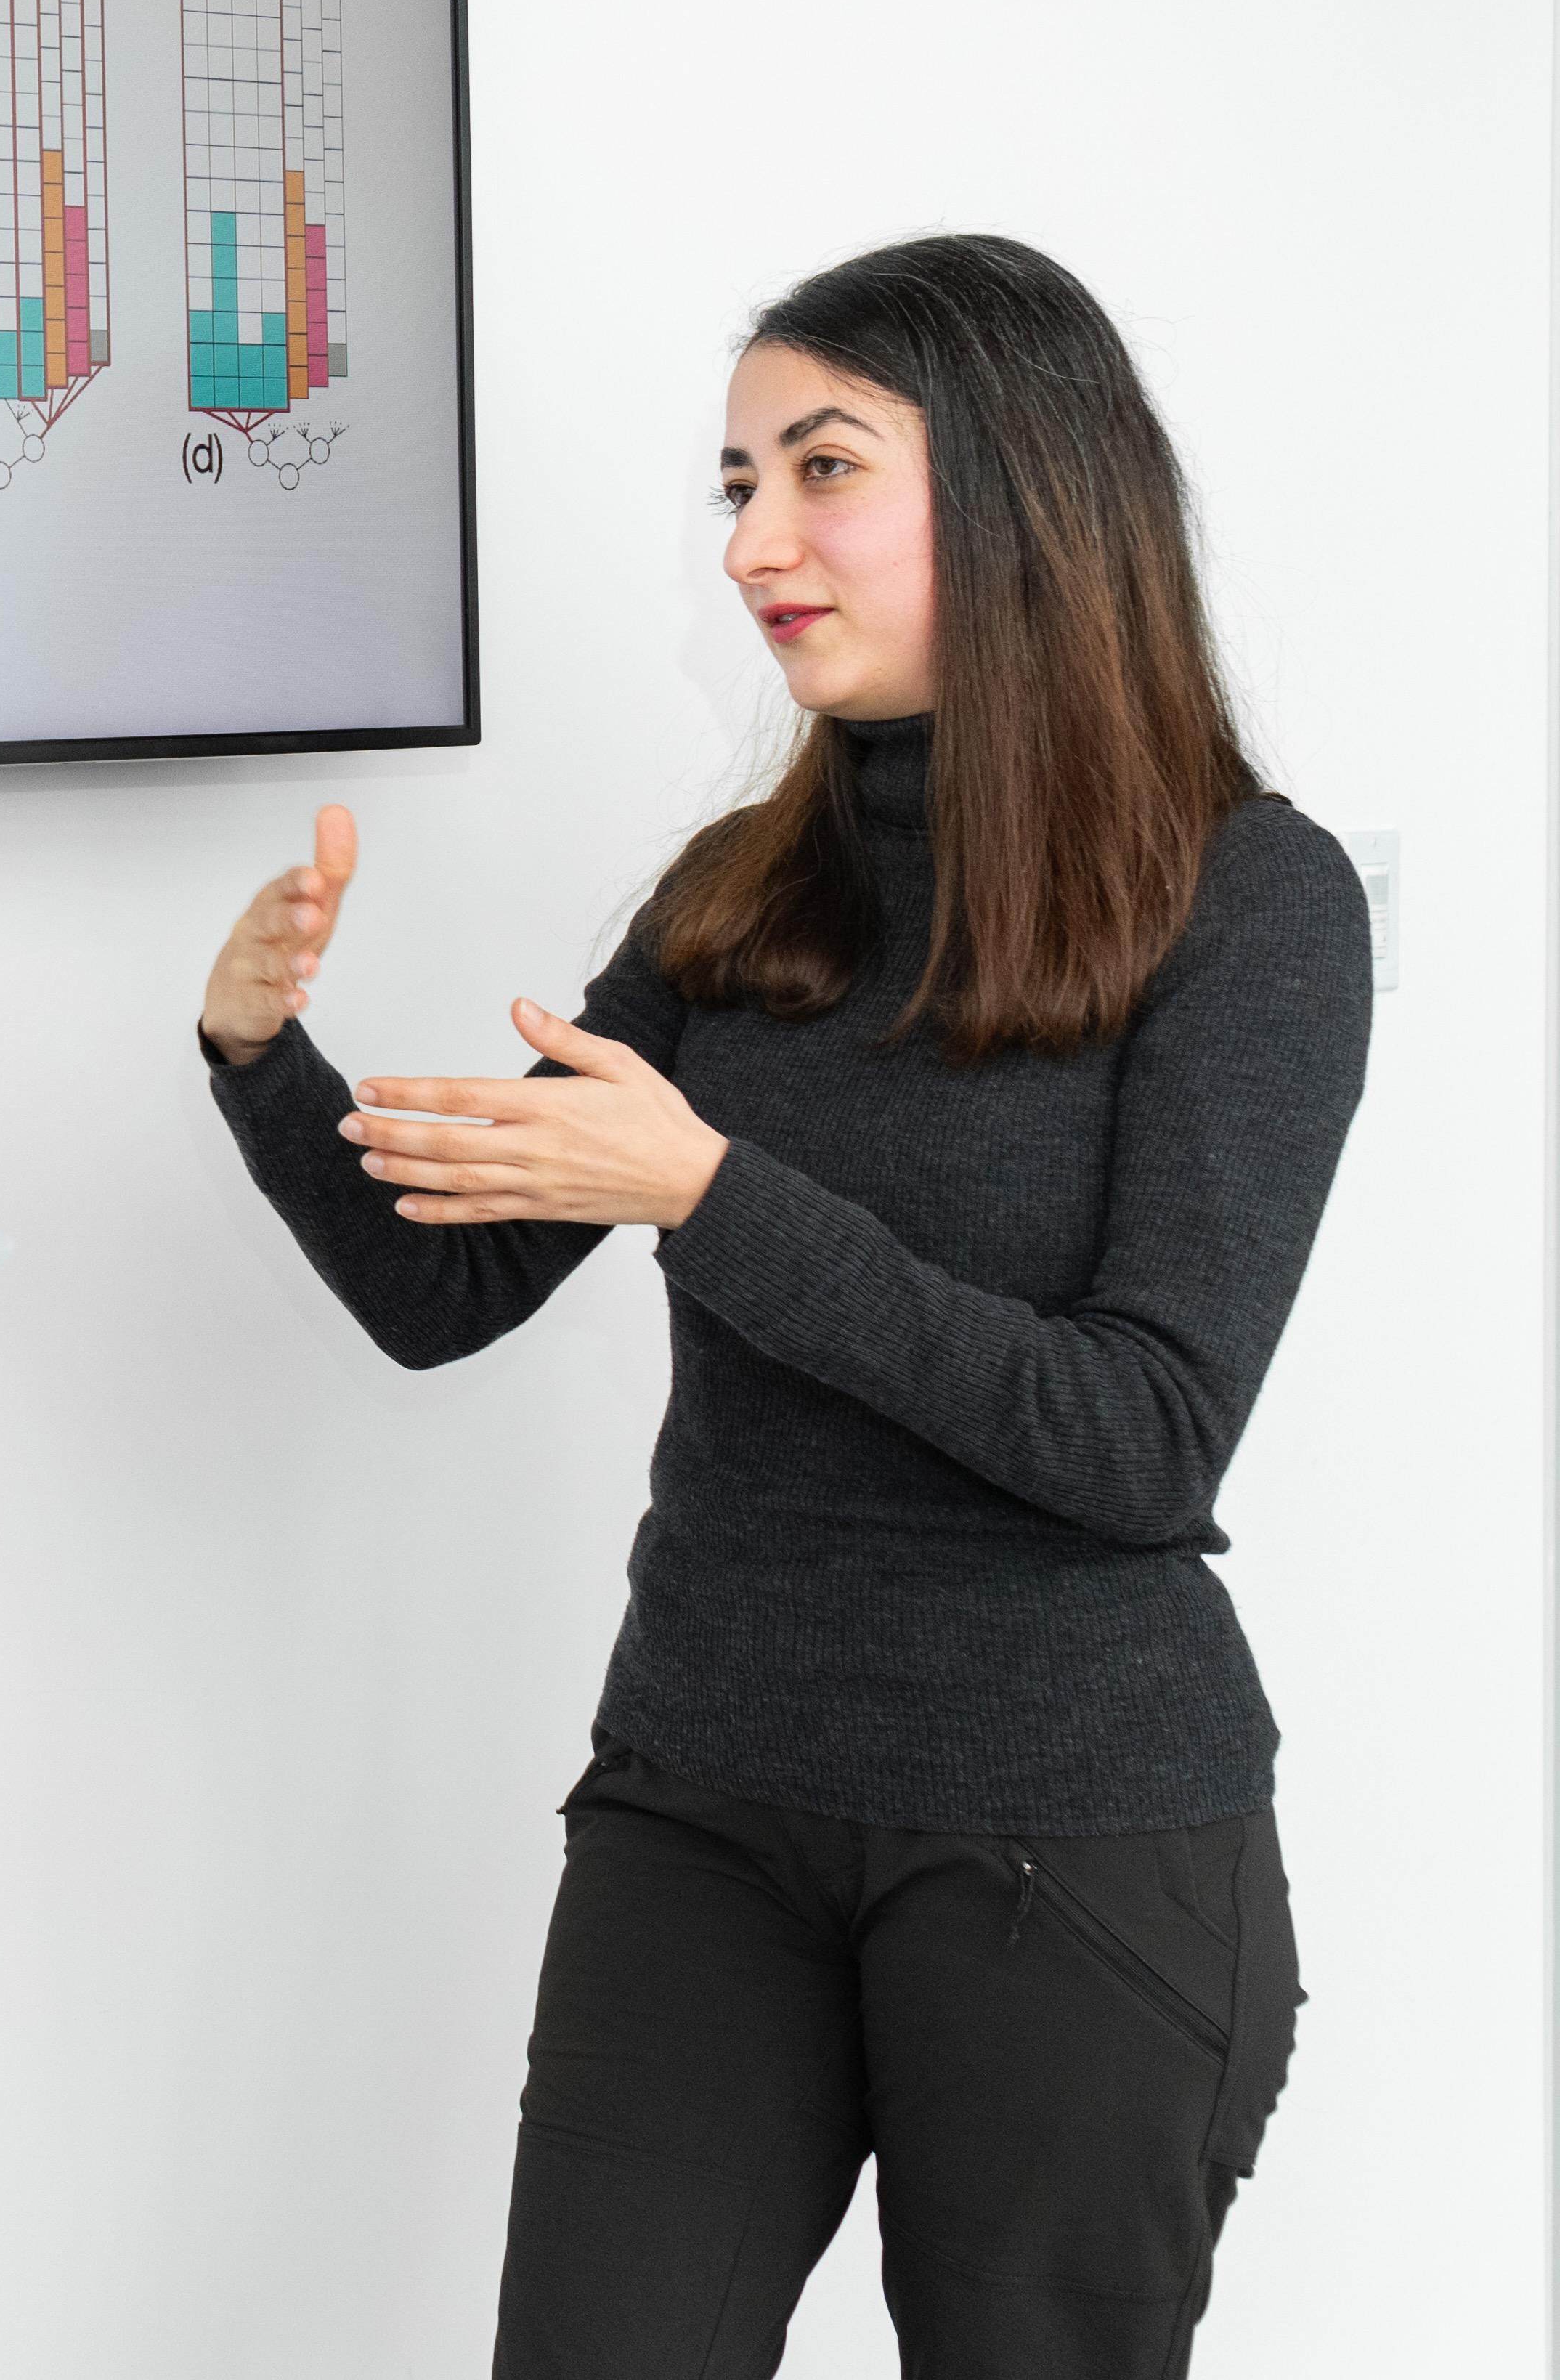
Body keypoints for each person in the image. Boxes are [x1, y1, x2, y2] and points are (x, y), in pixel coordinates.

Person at [195, 234, 1368, 2377]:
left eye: (820, 471)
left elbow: (1140, 1438)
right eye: (735, 484)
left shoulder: (1253, 904)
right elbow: (442, 1296)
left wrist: (721, 1199)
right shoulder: (743, 894)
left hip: (1075, 1849)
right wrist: (268, 1062)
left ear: (1022, 487)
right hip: (703, 1813)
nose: (754, 541)